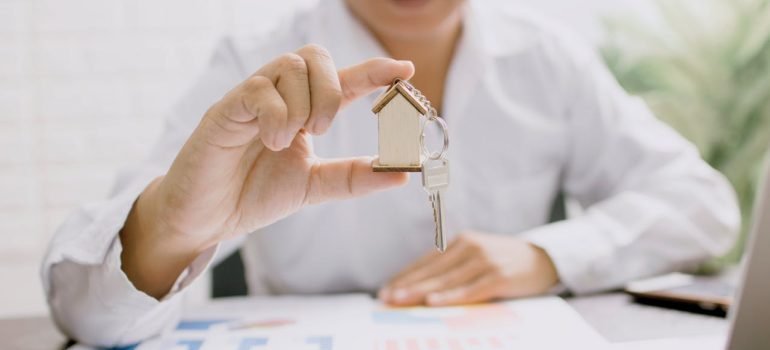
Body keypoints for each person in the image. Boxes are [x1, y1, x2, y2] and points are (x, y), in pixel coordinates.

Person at [41, 0, 740, 347]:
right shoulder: (253, 61)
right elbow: (84, 309)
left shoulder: (549, 57)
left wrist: (547, 254)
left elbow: (704, 202)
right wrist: (175, 227)